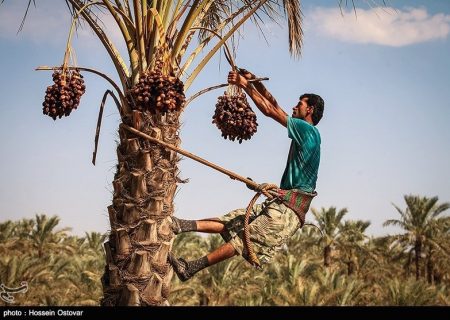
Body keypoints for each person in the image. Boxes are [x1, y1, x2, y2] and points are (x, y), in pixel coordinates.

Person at [168, 69, 324, 282]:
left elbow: (270, 110)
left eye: (300, 104)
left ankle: (191, 268)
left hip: (288, 212)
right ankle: (178, 225)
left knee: (242, 241)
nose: (294, 107)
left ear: (310, 110)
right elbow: (274, 104)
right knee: (233, 221)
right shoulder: (306, 131)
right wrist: (254, 82)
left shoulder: (308, 130)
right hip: (282, 202)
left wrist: (243, 85)